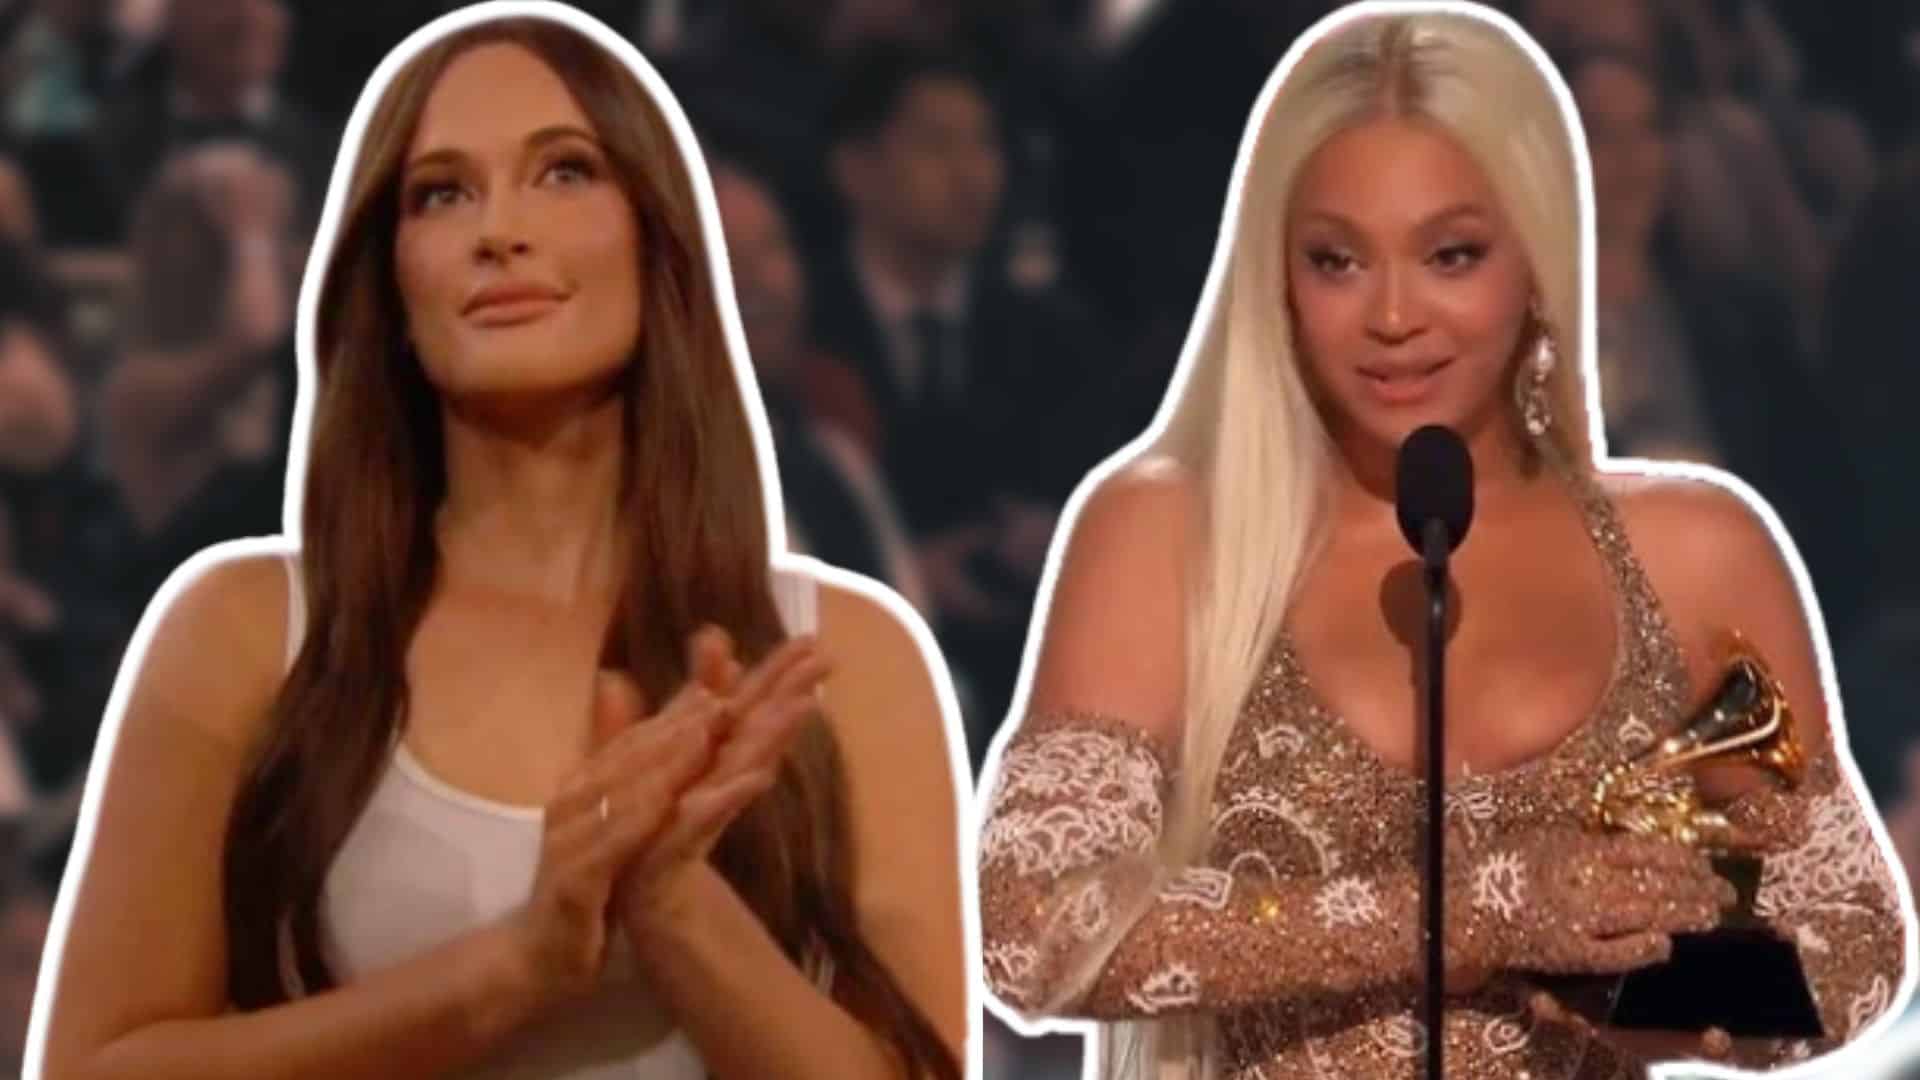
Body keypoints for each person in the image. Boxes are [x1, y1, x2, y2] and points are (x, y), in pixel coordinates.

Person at [975, 4, 1912, 1077]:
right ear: (1277, 278)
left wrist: (1653, 976)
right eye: (1336, 261)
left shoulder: (1695, 552)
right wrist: (1478, 913)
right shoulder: (1167, 530)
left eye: (1451, 255)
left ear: (1537, 260)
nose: (1391, 315)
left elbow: (1852, 944)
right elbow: (1033, 929)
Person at [29, 6, 966, 1079]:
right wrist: (513, 966)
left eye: (563, 172)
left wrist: (672, 905)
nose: (500, 230)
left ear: (655, 236)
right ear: (390, 282)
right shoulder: (245, 632)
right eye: (442, 193)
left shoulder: (836, 658)